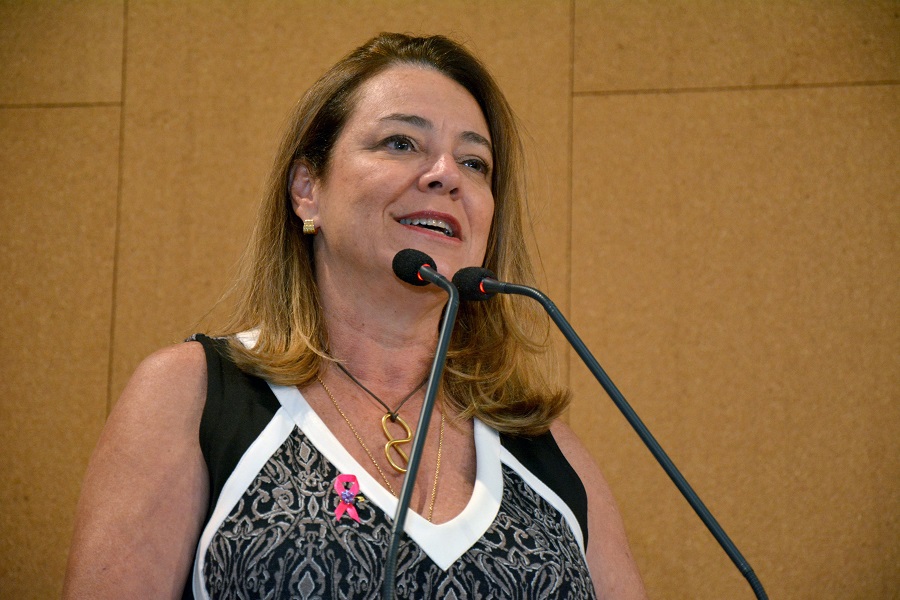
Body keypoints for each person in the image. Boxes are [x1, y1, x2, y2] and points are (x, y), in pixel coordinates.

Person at [63, 33, 647, 599]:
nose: (446, 173)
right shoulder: (192, 396)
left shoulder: (548, 451)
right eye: (401, 143)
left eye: (475, 162)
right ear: (307, 189)